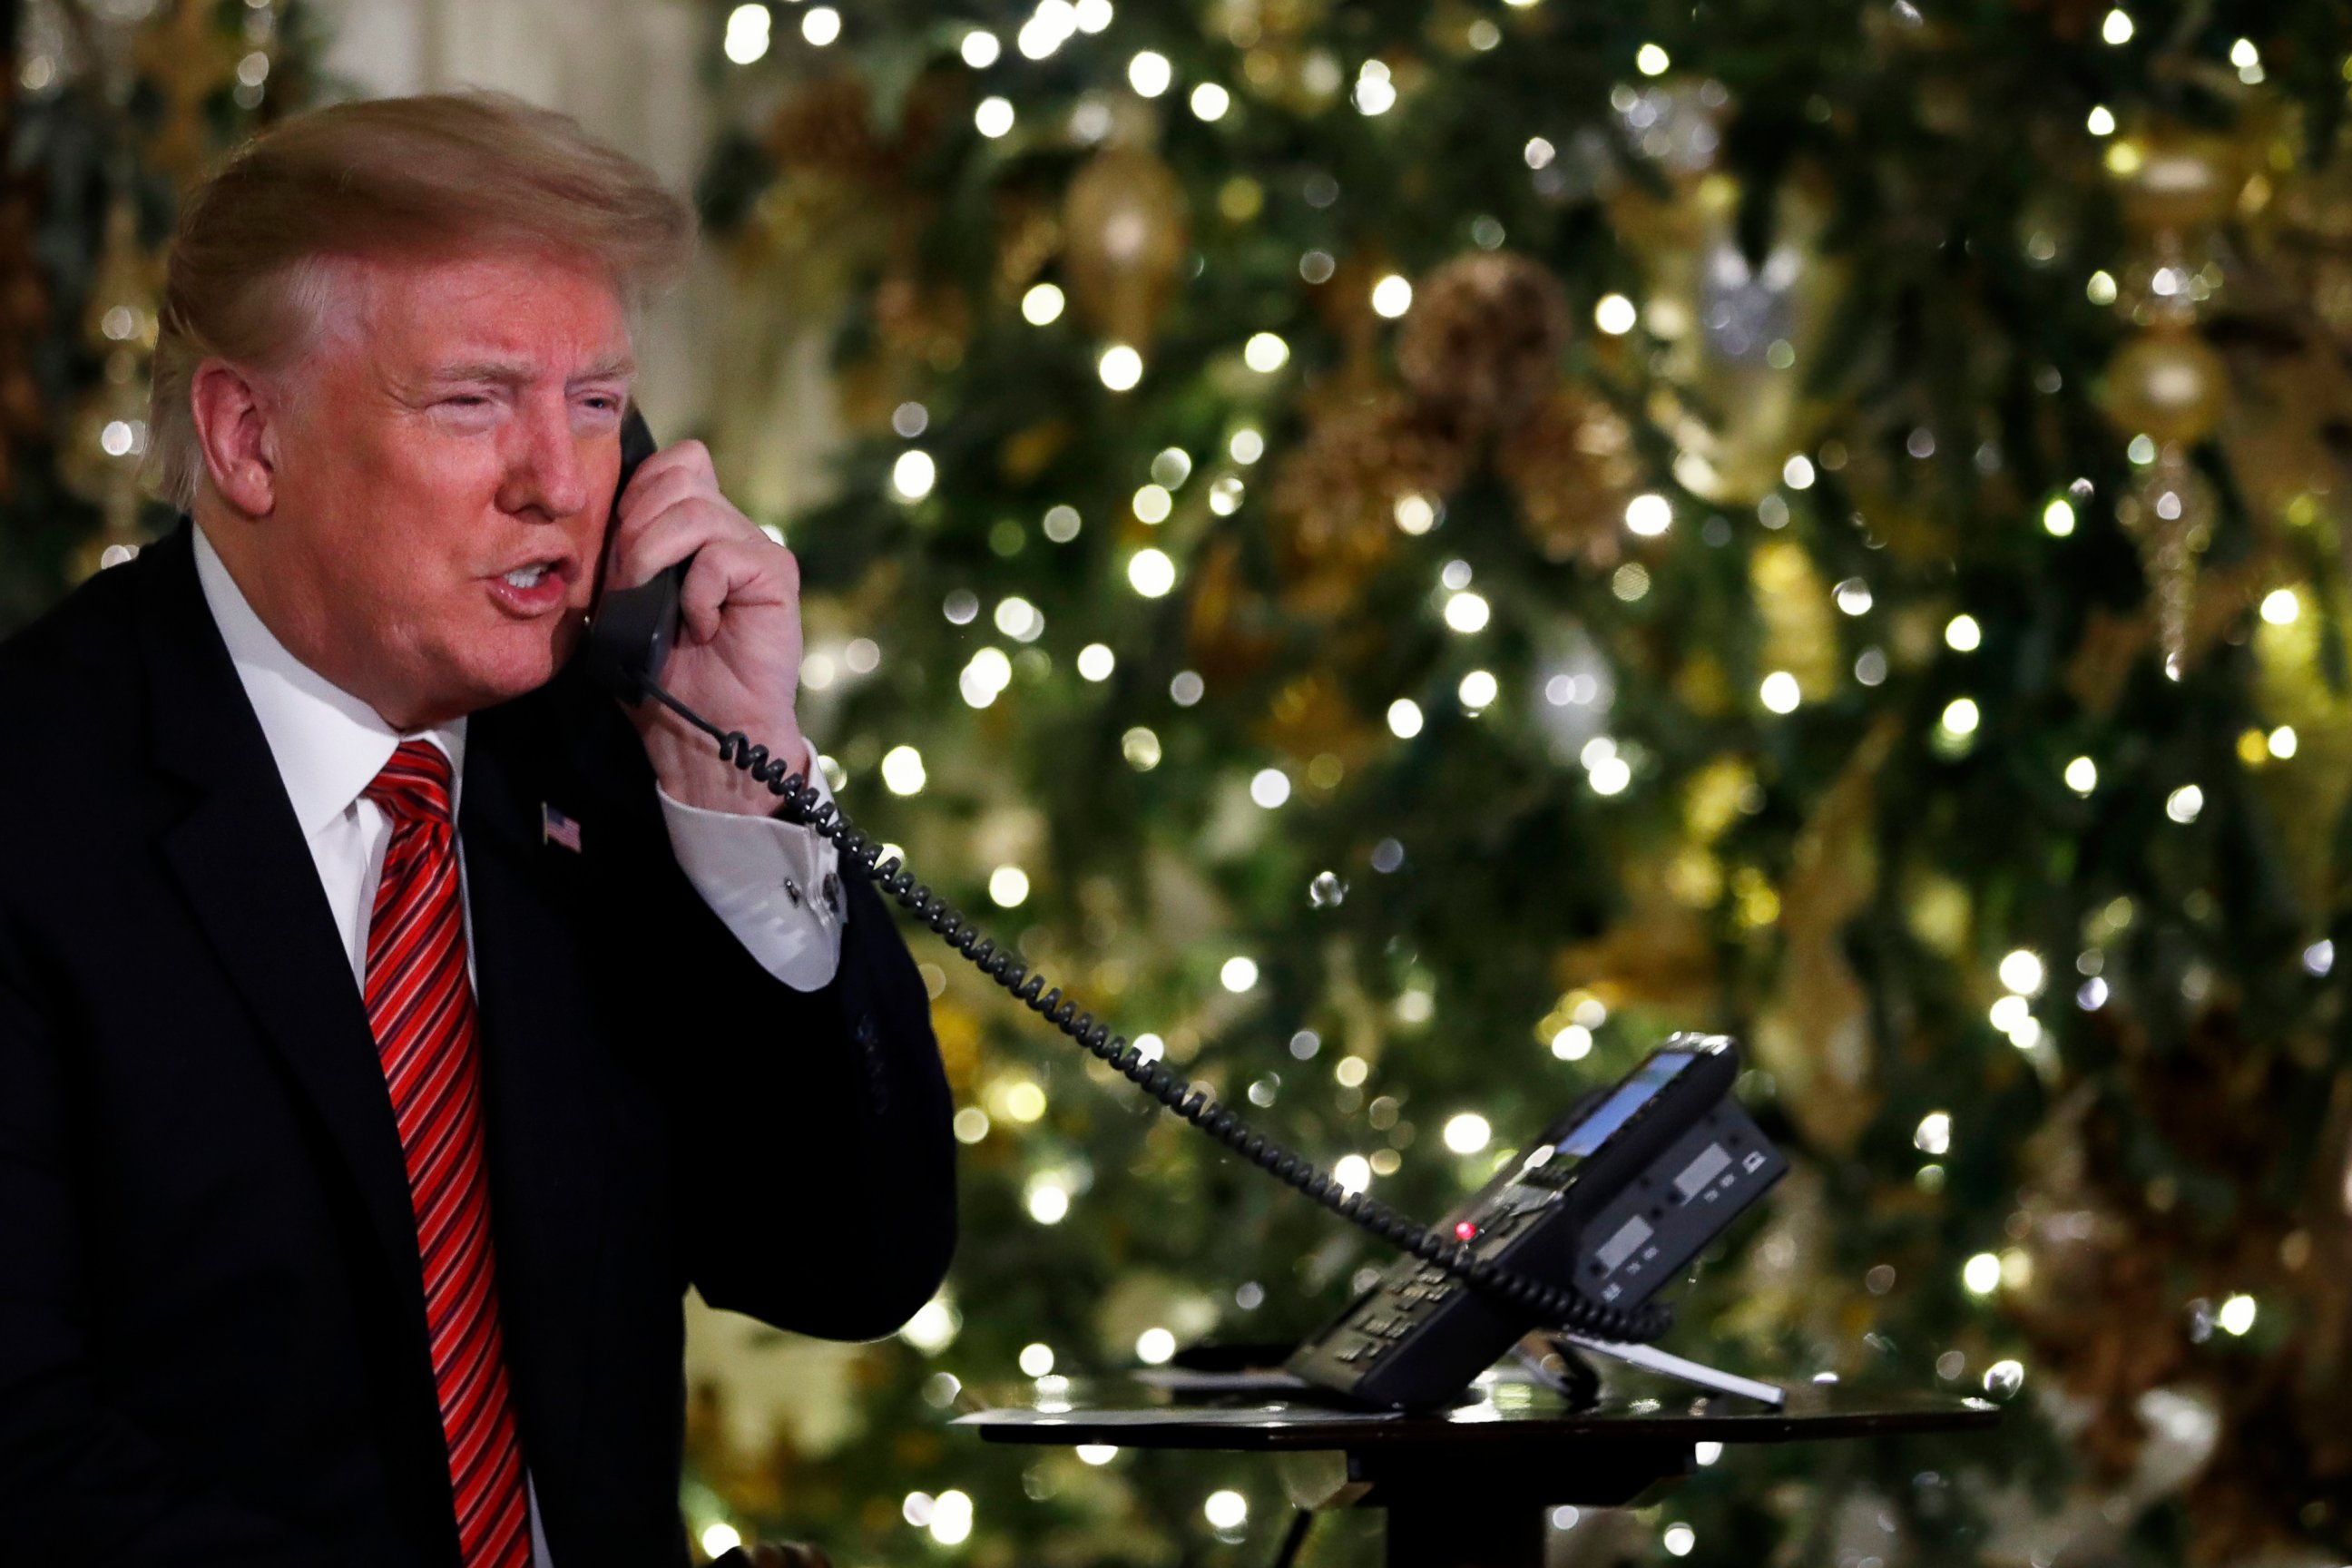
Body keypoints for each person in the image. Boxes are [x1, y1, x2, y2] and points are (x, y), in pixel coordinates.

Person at [0, 93, 955, 1566]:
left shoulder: (603, 755)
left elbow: (846, 1264)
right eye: (472, 401)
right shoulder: (38, 799)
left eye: (593, 402)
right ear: (249, 437)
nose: (559, 483)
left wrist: (739, 796)